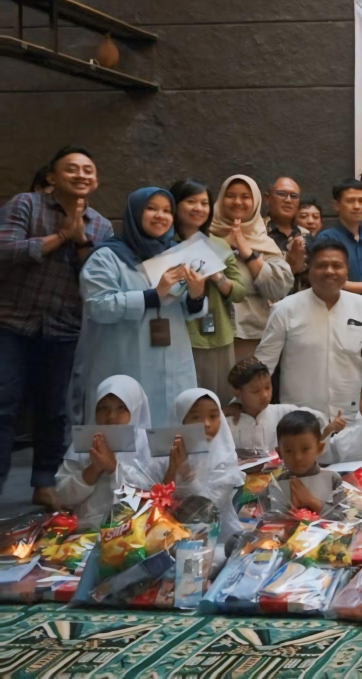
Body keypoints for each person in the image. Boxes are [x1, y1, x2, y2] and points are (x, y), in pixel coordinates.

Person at [0, 144, 112, 505]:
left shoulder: (101, 225)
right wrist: (61, 236)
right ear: (52, 176)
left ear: (96, 181)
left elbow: (98, 279)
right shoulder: (25, 205)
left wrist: (80, 242)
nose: (81, 175)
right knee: (3, 404)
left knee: (54, 410)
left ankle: (45, 482)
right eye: (72, 169)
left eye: (88, 170)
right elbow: (5, 250)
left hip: (63, 329)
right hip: (11, 323)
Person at [74, 187, 207, 423]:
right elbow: (98, 306)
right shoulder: (106, 257)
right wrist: (152, 296)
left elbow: (185, 310)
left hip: (173, 361)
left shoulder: (175, 255)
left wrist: (197, 295)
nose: (160, 216)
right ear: (135, 213)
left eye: (167, 210)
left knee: (171, 429)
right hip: (126, 359)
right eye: (151, 208)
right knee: (128, 428)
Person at [255, 237, 362, 419]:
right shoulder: (285, 309)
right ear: (309, 269)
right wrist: (240, 403)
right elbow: (264, 364)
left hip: (351, 418)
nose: (329, 271)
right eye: (321, 265)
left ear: (347, 271)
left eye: (337, 265)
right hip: (300, 421)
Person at [170, 178, 245, 403]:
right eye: (191, 201)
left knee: (218, 401)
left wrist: (218, 277)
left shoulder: (219, 245)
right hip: (179, 334)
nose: (199, 208)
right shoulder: (165, 244)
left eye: (204, 203)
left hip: (218, 334)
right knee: (183, 401)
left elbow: (239, 292)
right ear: (175, 205)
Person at [208, 175, 294, 361]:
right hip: (208, 335)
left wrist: (247, 252)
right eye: (231, 195)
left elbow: (279, 289)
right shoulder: (205, 235)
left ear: (255, 202)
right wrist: (223, 245)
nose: (238, 202)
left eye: (245, 197)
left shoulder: (264, 242)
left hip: (252, 336)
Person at [54, 375, 158, 525]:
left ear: (135, 408)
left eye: (121, 408)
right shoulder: (84, 443)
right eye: (103, 408)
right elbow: (63, 496)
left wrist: (113, 468)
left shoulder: (146, 444)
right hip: (86, 530)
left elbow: (153, 494)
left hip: (137, 530)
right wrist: (93, 470)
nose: (111, 416)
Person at [158, 387, 245, 535]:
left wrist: (186, 472)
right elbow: (155, 502)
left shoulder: (224, 457)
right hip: (164, 532)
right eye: (196, 417)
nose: (206, 423)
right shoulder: (163, 455)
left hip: (214, 535)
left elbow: (209, 509)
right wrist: (172, 469)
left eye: (213, 416)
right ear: (181, 420)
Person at [315, 179, 362, 316]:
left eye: (361, 201)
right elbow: (328, 281)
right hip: (335, 314)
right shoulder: (326, 239)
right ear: (336, 205)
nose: (357, 206)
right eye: (350, 201)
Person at [224, 357, 335, 453]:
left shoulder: (283, 413)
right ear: (237, 393)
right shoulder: (227, 423)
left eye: (268, 387)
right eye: (256, 391)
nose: (265, 395)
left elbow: (318, 420)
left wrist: (325, 432)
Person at [270, 410, 345, 514]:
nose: (298, 458)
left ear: (319, 449)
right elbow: (271, 519)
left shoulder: (333, 479)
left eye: (305, 449)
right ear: (279, 453)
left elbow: (343, 516)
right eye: (288, 451)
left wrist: (311, 501)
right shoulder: (277, 484)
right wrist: (291, 509)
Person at [265, 177, 309, 284]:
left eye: (294, 196)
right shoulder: (257, 232)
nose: (288, 200)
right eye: (281, 194)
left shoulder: (306, 235)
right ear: (267, 198)